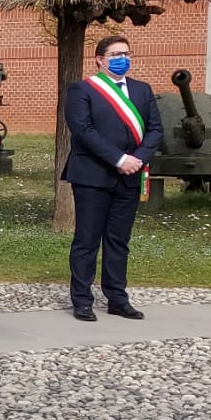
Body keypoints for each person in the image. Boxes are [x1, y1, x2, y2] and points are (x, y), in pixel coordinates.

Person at [63, 33, 163, 322]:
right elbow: (83, 130)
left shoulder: (142, 90)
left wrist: (137, 159)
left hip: (129, 176)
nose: (123, 59)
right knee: (87, 240)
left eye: (127, 54)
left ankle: (117, 298)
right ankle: (82, 300)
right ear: (100, 59)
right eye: (116, 55)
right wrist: (118, 159)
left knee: (119, 241)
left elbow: (156, 129)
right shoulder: (82, 90)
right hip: (93, 175)